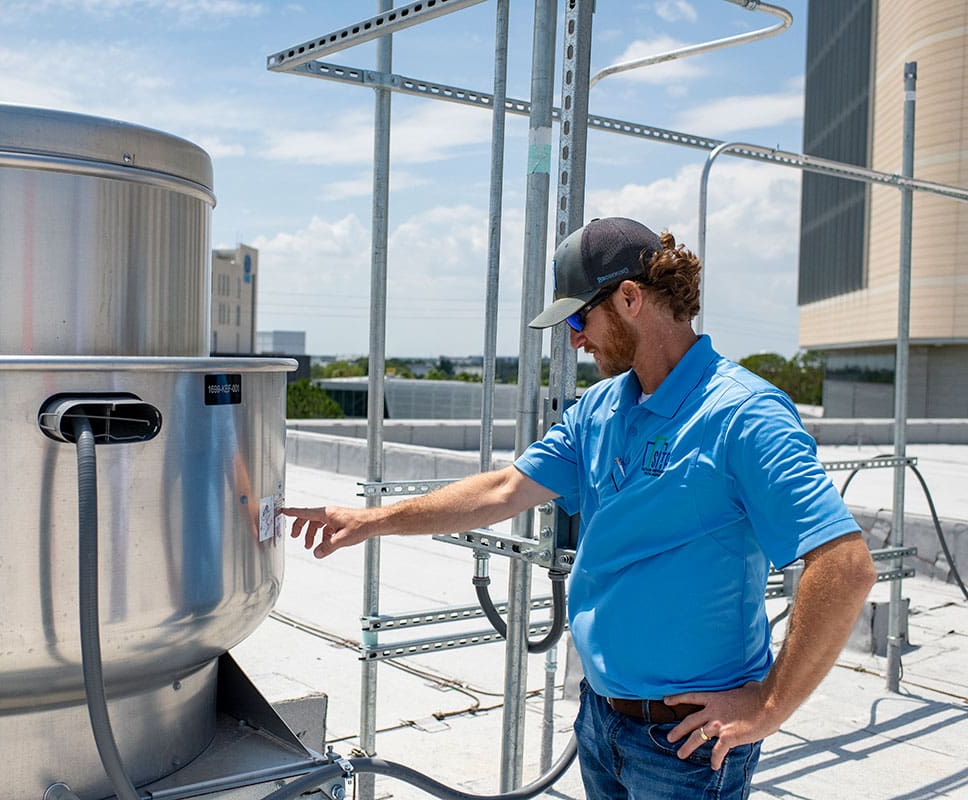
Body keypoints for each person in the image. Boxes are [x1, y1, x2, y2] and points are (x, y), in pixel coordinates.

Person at [283, 216, 877, 799]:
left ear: (628, 298)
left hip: (689, 745)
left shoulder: (742, 414)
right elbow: (501, 491)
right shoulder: (600, 409)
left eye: (577, 316)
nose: (574, 338)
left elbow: (845, 565)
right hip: (601, 722)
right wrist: (370, 519)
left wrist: (769, 704)